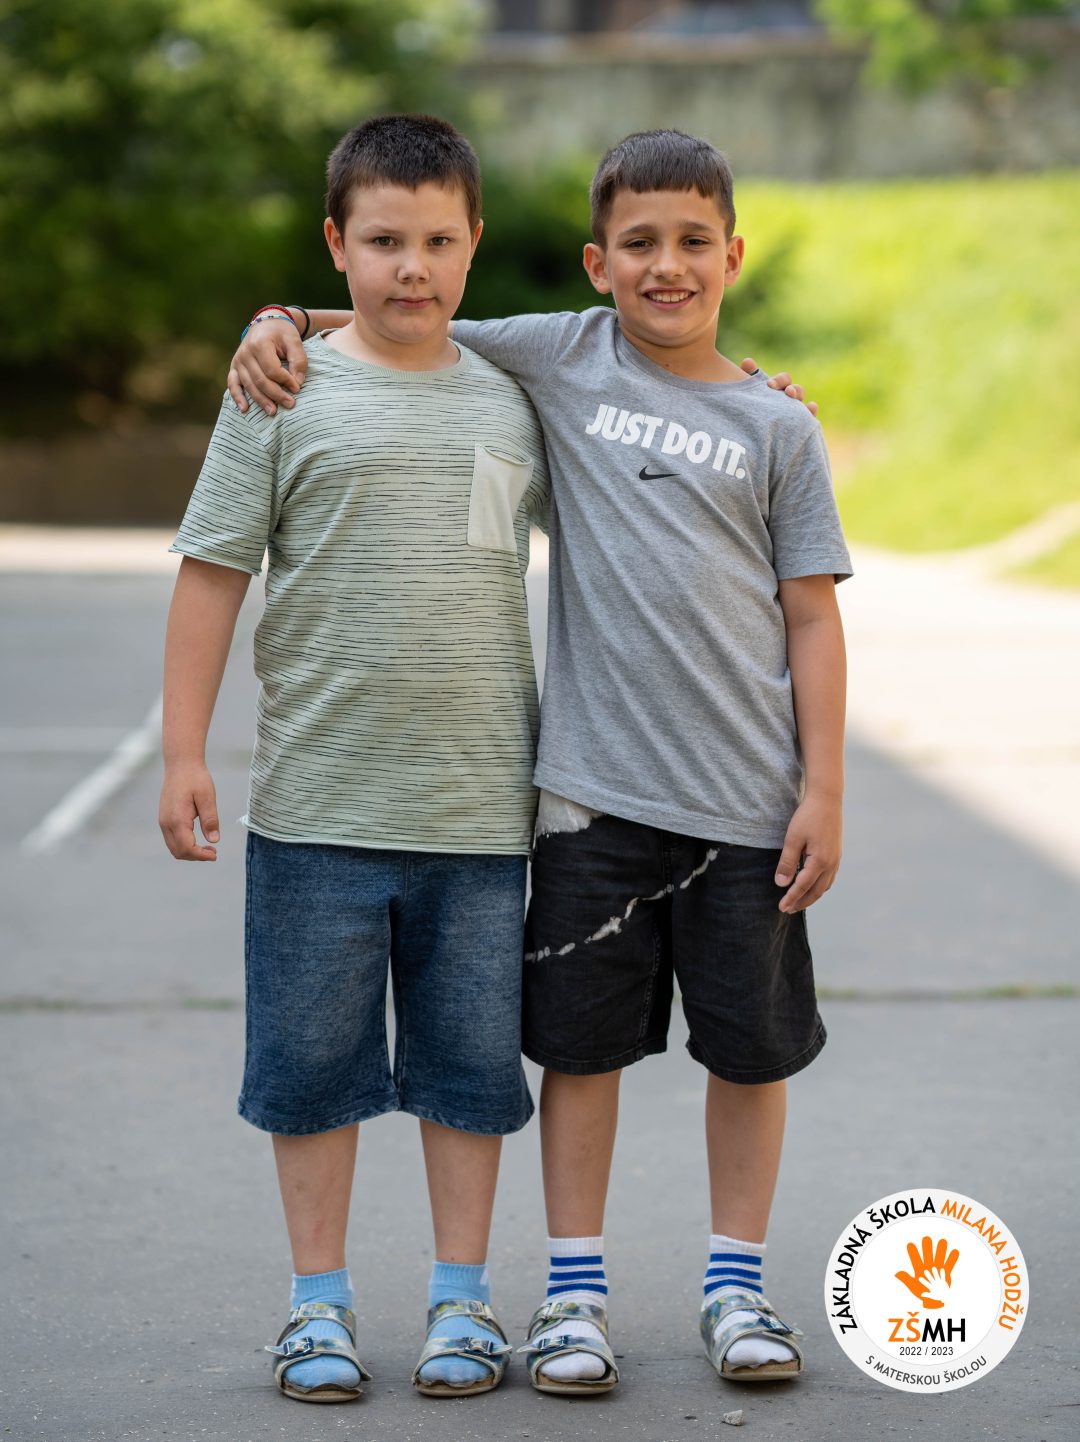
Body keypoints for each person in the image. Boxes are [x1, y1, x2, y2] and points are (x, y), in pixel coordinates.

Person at [230, 128, 840, 1395]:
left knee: (750, 1051)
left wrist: (825, 785)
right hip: (587, 802)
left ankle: (736, 1281)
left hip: (747, 800)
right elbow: (407, 310)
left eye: (693, 242)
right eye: (638, 243)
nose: (667, 266)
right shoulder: (559, 354)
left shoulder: (777, 426)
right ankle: (572, 1290)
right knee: (579, 1049)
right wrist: (277, 316)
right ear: (595, 263)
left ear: (733, 255)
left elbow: (813, 613)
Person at [158, 113, 555, 1404]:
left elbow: (636, 402)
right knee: (311, 1073)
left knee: (471, 1076)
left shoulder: (516, 398)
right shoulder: (280, 391)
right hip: (317, 808)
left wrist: (755, 388)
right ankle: (316, 1306)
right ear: (336, 243)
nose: (412, 267)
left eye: (438, 240)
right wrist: (183, 751)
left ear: (475, 241)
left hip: (479, 812)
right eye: (384, 241)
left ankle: (462, 1301)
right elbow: (213, 570)